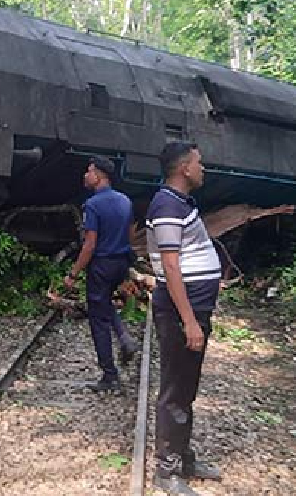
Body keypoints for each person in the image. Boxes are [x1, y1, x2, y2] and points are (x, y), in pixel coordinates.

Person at [146, 142, 222, 495]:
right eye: (198, 162)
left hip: (193, 308)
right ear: (183, 169)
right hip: (182, 311)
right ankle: (167, 470)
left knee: (186, 386)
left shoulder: (178, 203)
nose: (203, 168)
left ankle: (183, 457)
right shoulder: (165, 205)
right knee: (176, 389)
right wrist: (189, 321)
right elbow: (170, 266)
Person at [63, 155, 140, 392]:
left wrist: (74, 273)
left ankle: (110, 376)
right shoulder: (125, 201)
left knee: (97, 319)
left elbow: (90, 244)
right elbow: (131, 235)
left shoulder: (93, 205)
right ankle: (124, 336)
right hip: (120, 263)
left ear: (99, 176)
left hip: (101, 265)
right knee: (106, 303)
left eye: (89, 171)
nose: (85, 175)